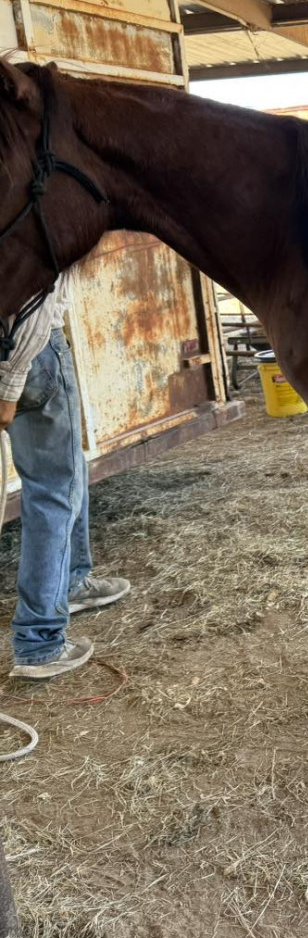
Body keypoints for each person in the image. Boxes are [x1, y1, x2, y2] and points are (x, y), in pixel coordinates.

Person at [0, 276, 130, 681]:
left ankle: (73, 580)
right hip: (31, 349)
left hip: (20, 349)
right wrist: (10, 381)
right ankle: (39, 643)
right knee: (53, 490)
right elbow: (36, 298)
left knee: (68, 473)